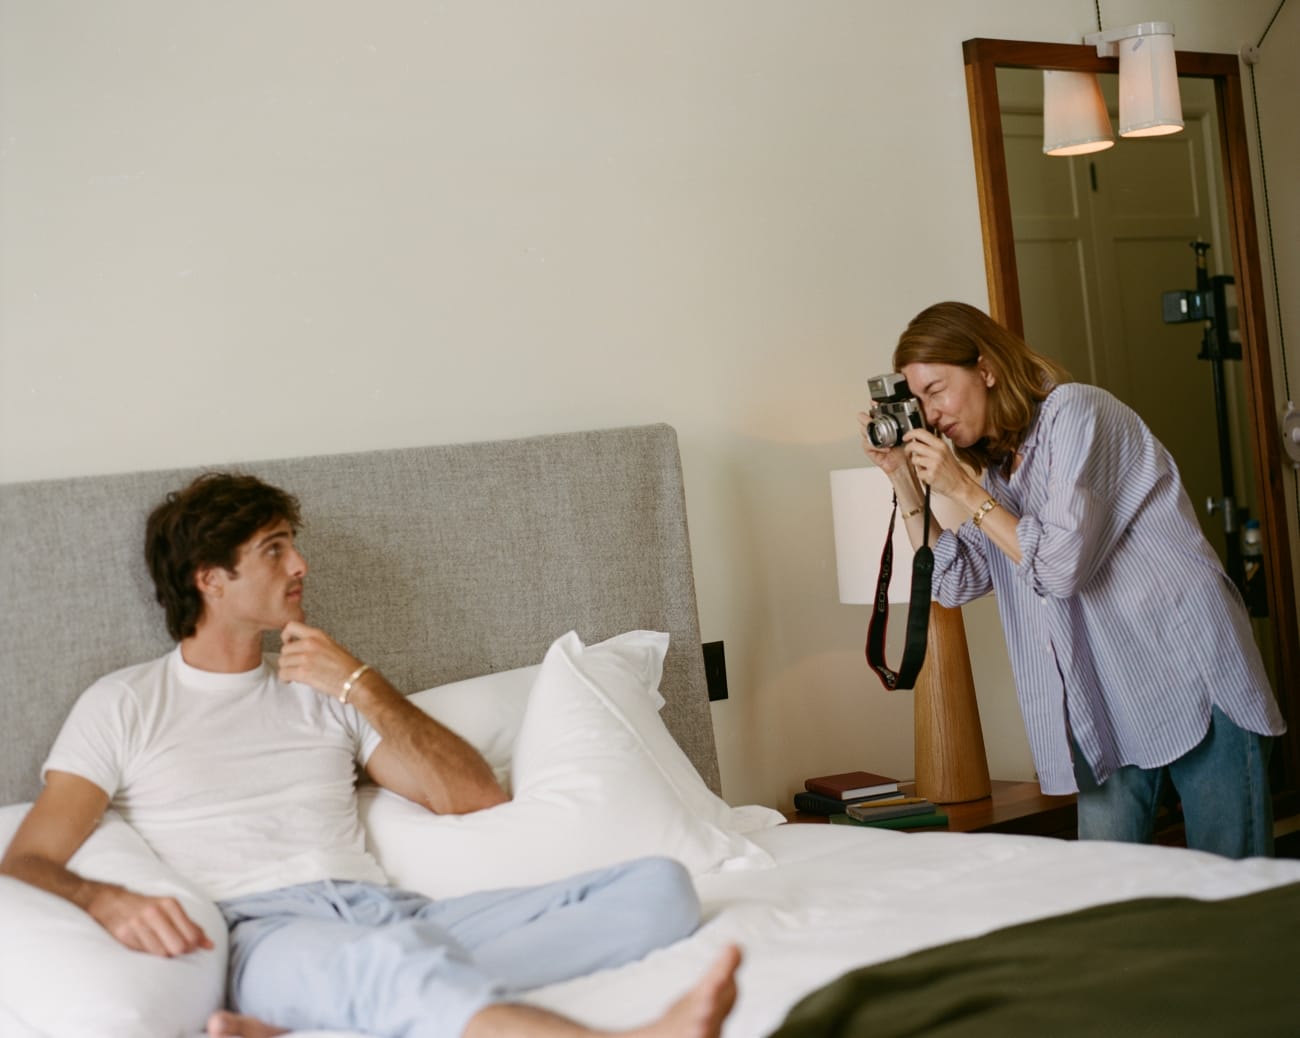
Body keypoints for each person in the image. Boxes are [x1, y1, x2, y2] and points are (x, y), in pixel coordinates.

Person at [0, 472, 741, 1038]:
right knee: (394, 965)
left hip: (384, 912)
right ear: (210, 578)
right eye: (274, 549)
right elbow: (28, 859)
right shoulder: (125, 703)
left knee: (661, 888)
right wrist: (106, 899)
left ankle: (331, 1011)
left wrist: (360, 683)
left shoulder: (322, 688)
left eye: (292, 544)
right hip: (263, 935)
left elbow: (472, 797)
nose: (300, 564)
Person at [860, 300, 1286, 859]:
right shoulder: (999, 471)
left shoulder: (1079, 414)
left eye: (936, 390)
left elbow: (1059, 566)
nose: (931, 415)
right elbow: (952, 579)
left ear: (985, 368)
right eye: (918, 403)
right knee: (1105, 890)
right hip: (1105, 698)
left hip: (1191, 673)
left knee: (1232, 885)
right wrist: (904, 481)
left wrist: (962, 490)